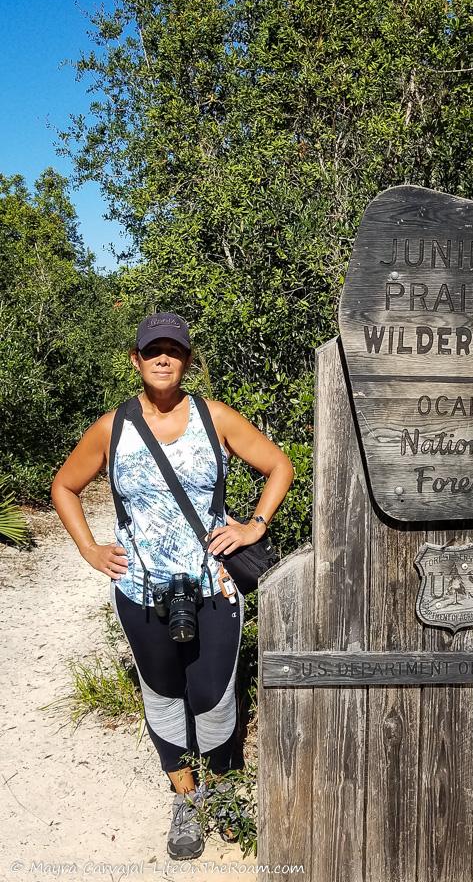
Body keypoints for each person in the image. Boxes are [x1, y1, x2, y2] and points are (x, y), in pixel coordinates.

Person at [51, 312, 294, 860]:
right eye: (153, 350)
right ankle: (186, 797)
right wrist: (91, 550)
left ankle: (226, 789)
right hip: (139, 589)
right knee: (162, 692)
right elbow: (64, 485)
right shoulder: (111, 428)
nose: (164, 358)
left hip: (213, 583)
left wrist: (254, 524)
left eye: (174, 350)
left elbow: (279, 465)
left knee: (213, 693)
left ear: (186, 360)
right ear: (135, 360)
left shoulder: (216, 418)